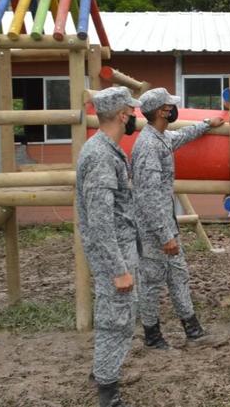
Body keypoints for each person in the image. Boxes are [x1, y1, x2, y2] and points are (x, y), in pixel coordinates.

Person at [131, 87, 225, 351]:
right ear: (162, 111)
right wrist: (165, 235)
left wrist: (207, 123)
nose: (174, 109)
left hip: (164, 225)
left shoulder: (159, 137)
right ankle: (152, 337)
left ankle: (193, 332)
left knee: (178, 275)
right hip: (154, 229)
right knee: (151, 282)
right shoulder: (149, 146)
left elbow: (181, 135)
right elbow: (149, 197)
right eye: (170, 106)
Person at [76, 86, 141, 407]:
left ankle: (102, 371)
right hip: (113, 255)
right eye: (132, 112)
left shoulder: (106, 149)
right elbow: (101, 220)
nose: (134, 117)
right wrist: (119, 270)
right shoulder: (101, 156)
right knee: (117, 319)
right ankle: (108, 391)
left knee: (116, 315)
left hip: (119, 249)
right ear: (121, 115)